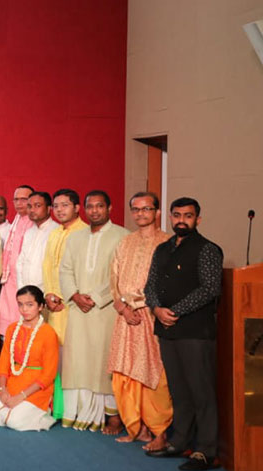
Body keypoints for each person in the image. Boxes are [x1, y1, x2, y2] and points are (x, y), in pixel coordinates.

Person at [144, 197, 224, 471]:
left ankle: (206, 452)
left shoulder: (208, 249)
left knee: (201, 392)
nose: (181, 220)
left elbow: (210, 288)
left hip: (195, 331)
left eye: (188, 216)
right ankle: (179, 442)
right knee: (178, 390)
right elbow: (150, 285)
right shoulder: (162, 249)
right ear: (170, 217)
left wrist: (174, 311)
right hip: (167, 329)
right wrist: (156, 308)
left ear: (197, 219)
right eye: (177, 215)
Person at [57, 190, 130, 431]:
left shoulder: (122, 236)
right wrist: (75, 295)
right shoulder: (75, 238)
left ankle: (112, 416)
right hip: (78, 309)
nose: (94, 211)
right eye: (90, 206)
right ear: (84, 209)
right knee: (77, 361)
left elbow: (121, 275)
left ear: (109, 208)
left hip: (106, 311)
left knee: (104, 361)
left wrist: (96, 298)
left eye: (100, 206)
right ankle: (78, 412)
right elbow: (65, 270)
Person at [109, 192, 175, 449]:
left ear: (157, 212)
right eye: (136, 209)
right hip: (125, 318)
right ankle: (137, 428)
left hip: (151, 315)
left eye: (146, 209)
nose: (140, 214)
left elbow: (167, 283)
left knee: (153, 372)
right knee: (125, 371)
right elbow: (113, 280)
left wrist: (139, 304)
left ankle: (160, 431)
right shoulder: (125, 242)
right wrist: (123, 307)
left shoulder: (168, 243)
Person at [0, 286, 60, 431]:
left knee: (14, 422)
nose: (24, 309)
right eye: (20, 304)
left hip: (36, 388)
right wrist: (3, 389)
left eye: (30, 305)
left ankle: (43, 416)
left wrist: (21, 396)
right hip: (12, 382)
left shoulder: (48, 333)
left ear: (40, 306)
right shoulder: (12, 329)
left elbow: (48, 374)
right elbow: (4, 362)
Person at [3, 191, 55, 334]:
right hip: (27, 296)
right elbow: (20, 264)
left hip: (45, 297)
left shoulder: (55, 231)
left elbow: (53, 268)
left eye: (37, 206)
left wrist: (39, 294)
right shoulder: (29, 232)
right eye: (30, 206)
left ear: (49, 208)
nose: (32, 210)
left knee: (44, 336)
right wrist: (24, 292)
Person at [43, 189, 88, 341]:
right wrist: (48, 294)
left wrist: (64, 296)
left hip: (73, 303)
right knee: (54, 346)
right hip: (53, 303)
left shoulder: (85, 233)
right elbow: (47, 266)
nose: (59, 210)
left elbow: (82, 271)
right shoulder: (55, 233)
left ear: (77, 208)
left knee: (74, 346)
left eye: (64, 205)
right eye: (56, 206)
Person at [0, 185, 36, 334]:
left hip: (25, 280)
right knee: (7, 325)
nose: (19, 203)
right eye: (16, 199)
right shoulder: (17, 220)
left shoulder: (34, 222)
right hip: (9, 279)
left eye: (23, 199)